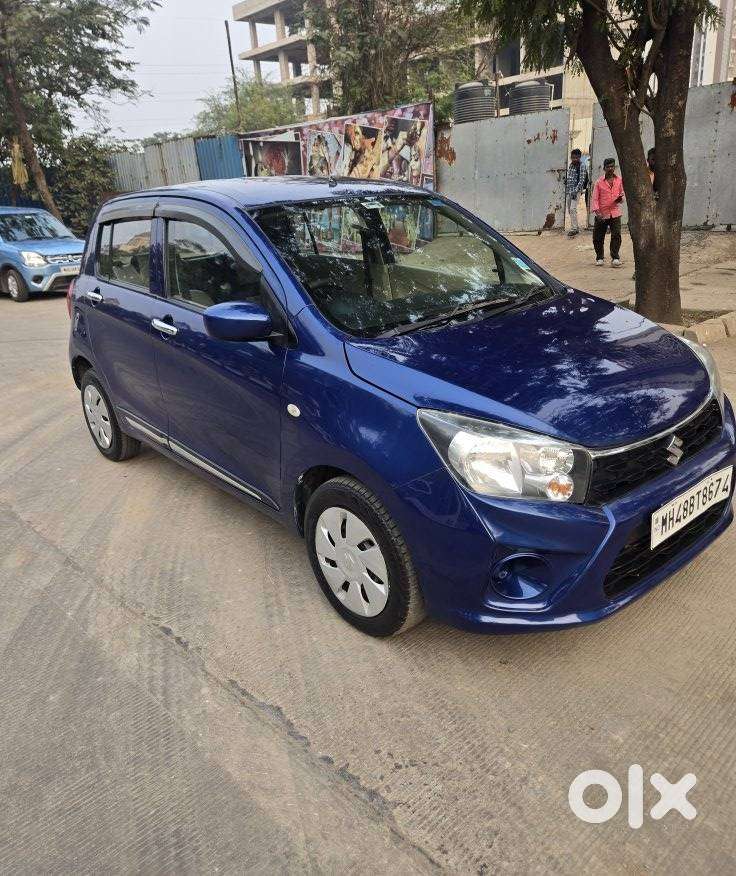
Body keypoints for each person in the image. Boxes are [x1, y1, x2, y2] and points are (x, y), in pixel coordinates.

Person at [591, 157, 624, 267]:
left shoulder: (619, 180)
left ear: (614, 167)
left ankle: (615, 257)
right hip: (602, 214)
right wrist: (597, 213)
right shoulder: (599, 182)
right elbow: (595, 198)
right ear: (604, 168)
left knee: (616, 235)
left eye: (612, 166)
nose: (610, 168)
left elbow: (622, 193)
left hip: (615, 212)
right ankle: (599, 257)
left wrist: (620, 198)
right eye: (608, 167)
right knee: (598, 237)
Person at [565, 148, 585, 237]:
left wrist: (575, 191)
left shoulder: (582, 166)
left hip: (576, 191)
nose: (574, 159)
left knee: (572, 209)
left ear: (580, 157)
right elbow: (570, 176)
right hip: (569, 191)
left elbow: (581, 181)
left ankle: (574, 229)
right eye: (573, 157)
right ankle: (575, 226)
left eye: (576, 158)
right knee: (570, 210)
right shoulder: (571, 165)